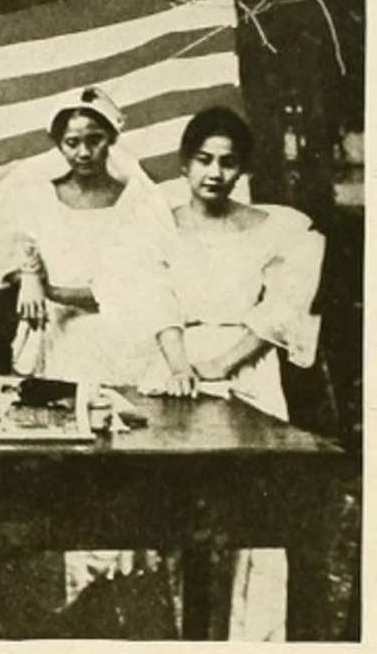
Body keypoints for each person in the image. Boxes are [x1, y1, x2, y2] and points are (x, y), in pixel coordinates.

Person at [132, 106, 325, 640]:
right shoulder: (157, 227)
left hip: (248, 371)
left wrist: (223, 363)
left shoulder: (276, 228)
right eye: (203, 160)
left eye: (227, 162)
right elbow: (153, 300)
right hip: (175, 372)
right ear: (183, 165)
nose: (214, 172)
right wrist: (180, 364)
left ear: (242, 170)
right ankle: (176, 634)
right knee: (173, 505)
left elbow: (282, 310)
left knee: (250, 509)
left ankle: (249, 639)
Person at [0, 86, 174, 386]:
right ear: (59, 145)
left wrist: (53, 291)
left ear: (111, 139)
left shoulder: (136, 202)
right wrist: (29, 276)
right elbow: (13, 243)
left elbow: (136, 286)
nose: (84, 153)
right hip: (59, 335)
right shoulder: (40, 197)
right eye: (72, 143)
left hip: (123, 338)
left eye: (95, 140)